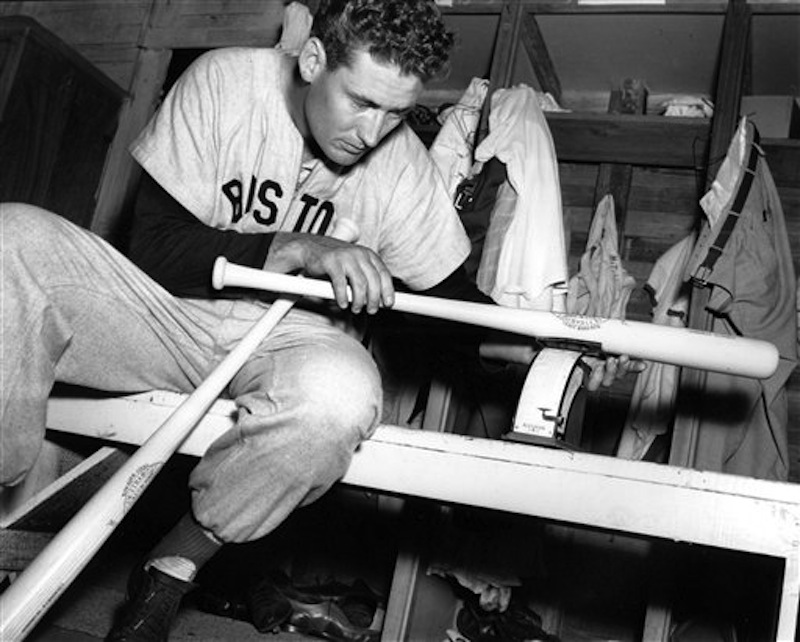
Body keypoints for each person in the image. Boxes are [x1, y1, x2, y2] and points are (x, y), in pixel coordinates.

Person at [0, 1, 632, 639]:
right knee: (11, 237)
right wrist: (294, 247)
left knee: (341, 398)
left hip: (288, 342)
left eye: (395, 112)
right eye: (360, 101)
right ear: (312, 61)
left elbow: (452, 303)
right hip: (166, 311)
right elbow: (153, 246)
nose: (373, 131)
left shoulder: (402, 163)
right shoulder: (225, 81)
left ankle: (171, 569)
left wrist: (554, 346)